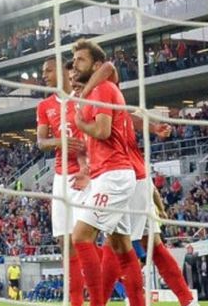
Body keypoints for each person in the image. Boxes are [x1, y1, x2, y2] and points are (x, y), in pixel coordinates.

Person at [79, 61, 199, 306]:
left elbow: (109, 67)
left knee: (115, 244)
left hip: (127, 175)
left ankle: (102, 302)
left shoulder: (100, 91)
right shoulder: (98, 100)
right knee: (149, 244)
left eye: (78, 64)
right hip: (135, 176)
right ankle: (188, 300)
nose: (72, 75)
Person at [70, 39, 144, 306]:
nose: (75, 64)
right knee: (122, 248)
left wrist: (80, 122)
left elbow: (101, 131)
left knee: (80, 236)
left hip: (113, 176)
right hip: (111, 174)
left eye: (81, 60)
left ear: (96, 64)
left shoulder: (102, 88)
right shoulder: (96, 92)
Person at [36, 57, 87, 306]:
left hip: (89, 174)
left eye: (48, 71)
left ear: (65, 72)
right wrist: (61, 142)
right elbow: (41, 142)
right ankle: (75, 300)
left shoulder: (83, 98)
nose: (44, 75)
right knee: (64, 241)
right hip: (61, 176)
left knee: (83, 239)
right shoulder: (45, 105)